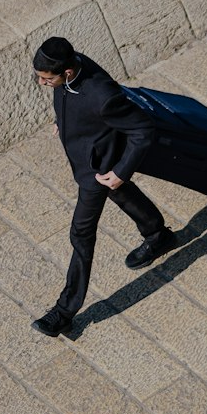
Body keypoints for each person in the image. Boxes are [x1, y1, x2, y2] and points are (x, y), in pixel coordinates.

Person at [31, 37, 176, 338]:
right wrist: (63, 120)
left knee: (81, 233)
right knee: (121, 193)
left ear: (68, 73)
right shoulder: (72, 66)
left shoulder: (102, 95)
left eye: (47, 79)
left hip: (96, 172)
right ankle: (158, 235)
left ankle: (64, 312)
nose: (42, 83)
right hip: (93, 158)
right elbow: (70, 100)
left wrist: (122, 171)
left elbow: (142, 129)